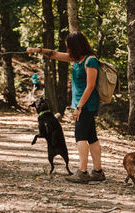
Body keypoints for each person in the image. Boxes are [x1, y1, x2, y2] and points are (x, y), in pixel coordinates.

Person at [27, 31, 106, 183]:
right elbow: (54, 54)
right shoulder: (76, 59)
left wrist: (79, 107)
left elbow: (90, 87)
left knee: (80, 136)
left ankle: (82, 172)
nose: (67, 49)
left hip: (86, 105)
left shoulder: (90, 61)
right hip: (82, 105)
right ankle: (98, 171)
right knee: (92, 137)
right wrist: (37, 50)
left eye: (69, 47)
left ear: (76, 46)